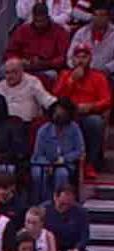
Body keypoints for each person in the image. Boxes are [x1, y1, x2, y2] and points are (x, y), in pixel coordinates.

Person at [53, 40, 111, 177]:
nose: (81, 60)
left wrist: (91, 106)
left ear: (90, 59)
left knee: (95, 122)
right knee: (60, 119)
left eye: (84, 57)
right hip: (69, 113)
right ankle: (66, 162)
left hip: (89, 114)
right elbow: (56, 96)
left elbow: (107, 100)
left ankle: (89, 164)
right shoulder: (65, 75)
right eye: (78, 57)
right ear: (72, 60)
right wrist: (71, 81)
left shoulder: (99, 77)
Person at [31, 97, 85, 201]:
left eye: (62, 113)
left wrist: (64, 159)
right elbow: (38, 153)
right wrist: (48, 164)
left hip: (65, 164)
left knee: (61, 174)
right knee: (38, 174)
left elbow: (79, 150)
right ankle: (44, 201)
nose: (58, 115)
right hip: (44, 163)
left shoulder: (74, 129)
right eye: (56, 112)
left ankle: (59, 201)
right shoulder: (43, 130)